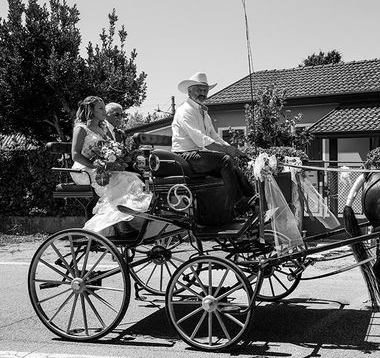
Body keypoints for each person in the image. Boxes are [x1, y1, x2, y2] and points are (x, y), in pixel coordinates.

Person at [171, 72, 255, 214]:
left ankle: (252, 199)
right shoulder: (185, 111)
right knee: (224, 160)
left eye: (205, 90)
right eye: (199, 90)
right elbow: (201, 140)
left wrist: (234, 150)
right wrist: (227, 151)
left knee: (232, 164)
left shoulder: (203, 113)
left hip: (197, 155)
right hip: (183, 157)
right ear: (189, 91)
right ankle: (239, 205)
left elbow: (215, 137)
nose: (202, 93)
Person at [70, 96, 152, 237]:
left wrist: (116, 158)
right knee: (122, 181)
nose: (104, 111)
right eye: (100, 108)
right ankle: (119, 225)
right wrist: (95, 165)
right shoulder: (81, 128)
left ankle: (125, 220)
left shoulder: (101, 129)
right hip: (83, 169)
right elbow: (75, 155)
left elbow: (111, 148)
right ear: (91, 110)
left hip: (101, 167)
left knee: (133, 178)